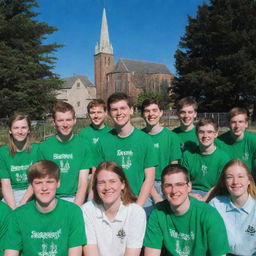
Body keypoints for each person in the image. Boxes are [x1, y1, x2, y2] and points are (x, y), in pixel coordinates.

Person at [3, 160, 86, 256]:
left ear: (58, 183)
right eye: (38, 183)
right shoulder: (17, 216)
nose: (44, 188)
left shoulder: (73, 212)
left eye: (49, 182)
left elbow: (74, 253)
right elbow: (10, 253)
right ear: (31, 186)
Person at [144, 164, 230, 256]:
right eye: (168, 185)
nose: (174, 190)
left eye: (179, 184)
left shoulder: (209, 215)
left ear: (189, 186)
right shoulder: (158, 213)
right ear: (162, 188)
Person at [95, 93, 157, 208]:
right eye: (114, 109)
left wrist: (138, 207)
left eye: (123, 108)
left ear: (131, 110)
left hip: (139, 200)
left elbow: (149, 178)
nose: (119, 113)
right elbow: (97, 176)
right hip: (112, 201)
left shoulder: (145, 140)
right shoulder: (103, 141)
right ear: (108, 113)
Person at [82, 161, 146, 256]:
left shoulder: (136, 213)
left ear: (123, 184)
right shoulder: (87, 210)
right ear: (95, 186)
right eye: (101, 182)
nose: (107, 187)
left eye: (112, 181)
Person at [38, 101, 93, 205]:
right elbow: (42, 182)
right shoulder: (44, 147)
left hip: (75, 198)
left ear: (74, 120)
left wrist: (76, 208)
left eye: (68, 120)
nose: (65, 124)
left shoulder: (84, 145)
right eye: (60, 120)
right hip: (51, 199)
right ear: (54, 122)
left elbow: (83, 182)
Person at [208, 159, 256, 256]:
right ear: (224, 182)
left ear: (249, 181)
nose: (235, 182)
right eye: (229, 177)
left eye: (240, 176)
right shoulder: (215, 204)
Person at [141, 98, 181, 203]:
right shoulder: (138, 137)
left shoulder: (171, 137)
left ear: (161, 112)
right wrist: (154, 195)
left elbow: (174, 168)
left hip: (166, 183)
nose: (151, 114)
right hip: (144, 184)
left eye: (154, 110)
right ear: (142, 114)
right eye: (147, 111)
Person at [181, 118, 230, 200]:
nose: (205, 136)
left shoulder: (223, 158)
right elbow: (182, 182)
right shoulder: (188, 155)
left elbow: (220, 186)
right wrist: (190, 195)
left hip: (214, 194)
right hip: (191, 193)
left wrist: (206, 198)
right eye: (201, 132)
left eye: (209, 132)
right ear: (196, 134)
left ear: (216, 134)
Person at [0, 114, 40, 209]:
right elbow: (6, 185)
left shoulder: (37, 149)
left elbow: (36, 181)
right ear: (10, 130)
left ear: (29, 130)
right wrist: (13, 208)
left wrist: (22, 204)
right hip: (11, 195)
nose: (20, 131)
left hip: (32, 193)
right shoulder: (3, 152)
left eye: (23, 127)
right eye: (16, 128)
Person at [216, 107, 256, 174]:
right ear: (229, 124)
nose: (237, 126)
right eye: (233, 122)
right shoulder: (219, 142)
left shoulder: (253, 139)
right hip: (227, 180)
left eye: (240, 122)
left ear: (246, 124)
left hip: (248, 180)